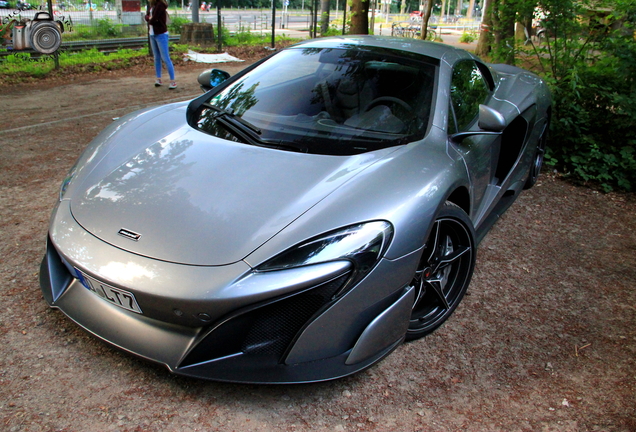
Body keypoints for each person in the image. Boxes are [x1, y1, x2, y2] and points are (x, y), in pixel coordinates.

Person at [145, 0, 176, 89]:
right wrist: (149, 18)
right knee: (156, 57)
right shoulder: (152, 5)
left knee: (165, 58)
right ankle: (158, 79)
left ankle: (172, 81)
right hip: (152, 34)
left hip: (161, 34)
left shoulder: (160, 5)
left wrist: (149, 19)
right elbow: (147, 17)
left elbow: (153, 19)